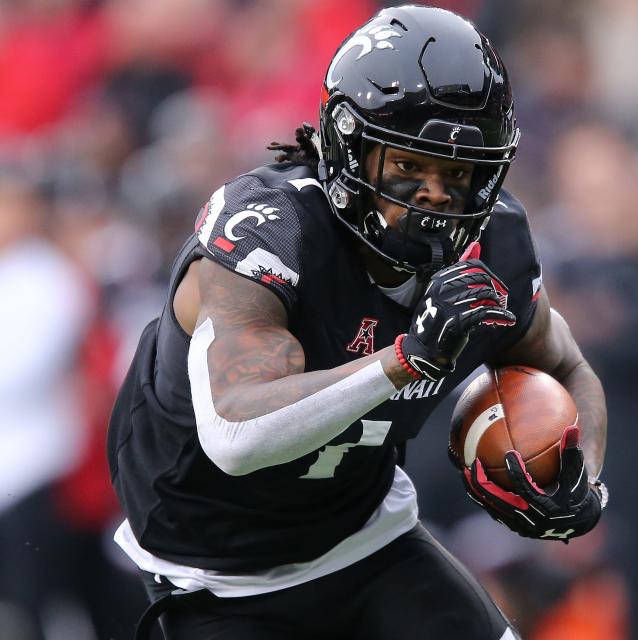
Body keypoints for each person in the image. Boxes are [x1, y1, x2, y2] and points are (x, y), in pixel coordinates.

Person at [107, 6, 608, 639]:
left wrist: (580, 475)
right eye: (408, 166)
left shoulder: (495, 247)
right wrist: (406, 358)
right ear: (351, 151)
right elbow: (236, 433)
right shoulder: (273, 231)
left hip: (368, 541)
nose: (433, 195)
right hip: (219, 579)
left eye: (457, 174)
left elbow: (562, 364)